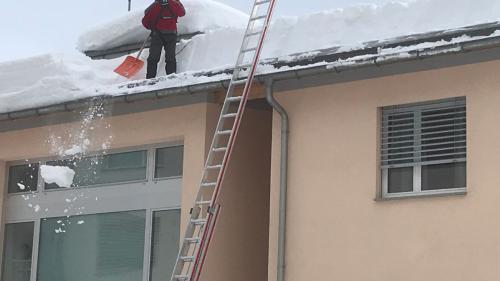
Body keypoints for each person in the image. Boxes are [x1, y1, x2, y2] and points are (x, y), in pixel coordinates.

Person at [142, 0, 186, 79]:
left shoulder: (154, 6)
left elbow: (145, 22)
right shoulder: (174, 3)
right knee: (170, 57)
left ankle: (150, 79)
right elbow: (182, 13)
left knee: (153, 58)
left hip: (157, 35)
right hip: (171, 34)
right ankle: (172, 77)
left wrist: (152, 27)